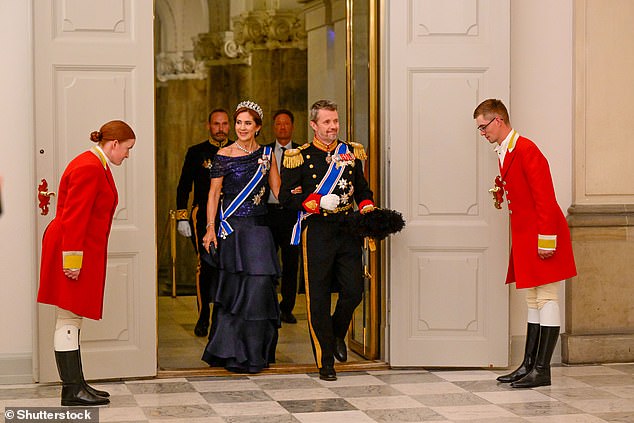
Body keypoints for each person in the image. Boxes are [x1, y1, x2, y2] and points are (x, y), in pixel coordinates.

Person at [473, 99, 577, 388]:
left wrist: (547, 240)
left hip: (543, 234)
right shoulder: (506, 150)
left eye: (483, 126)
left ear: (499, 121)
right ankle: (528, 365)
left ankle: (542, 370)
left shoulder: (527, 150)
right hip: (526, 235)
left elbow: (545, 198)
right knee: (533, 299)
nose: (482, 133)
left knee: (547, 298)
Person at [37, 120, 136, 406]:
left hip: (79, 248)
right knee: (68, 316)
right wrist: (72, 259)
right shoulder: (89, 167)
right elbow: (75, 218)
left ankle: (78, 385)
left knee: (72, 316)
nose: (127, 155)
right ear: (114, 144)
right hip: (72, 248)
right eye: (127, 149)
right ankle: (71, 390)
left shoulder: (97, 164)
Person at [279, 99, 375, 381]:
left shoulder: (351, 152)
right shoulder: (299, 156)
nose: (333, 127)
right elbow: (286, 197)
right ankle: (325, 362)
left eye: (335, 121)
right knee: (318, 297)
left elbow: (363, 191)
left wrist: (369, 211)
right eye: (326, 122)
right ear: (313, 125)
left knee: (354, 290)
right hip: (318, 231)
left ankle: (336, 333)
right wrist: (318, 202)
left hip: (347, 228)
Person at [201, 100, 281, 373]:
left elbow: (278, 192)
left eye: (248, 123)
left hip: (258, 229)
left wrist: (306, 200)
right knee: (235, 292)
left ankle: (255, 352)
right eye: (239, 123)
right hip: (232, 229)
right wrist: (211, 227)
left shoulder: (267, 155)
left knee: (258, 288)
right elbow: (213, 194)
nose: (242, 127)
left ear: (257, 127)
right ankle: (231, 353)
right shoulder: (223, 154)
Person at [175, 109, 232, 337]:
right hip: (202, 215)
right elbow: (183, 186)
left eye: (224, 124)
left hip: (230, 215)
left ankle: (223, 314)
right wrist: (182, 216)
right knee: (206, 265)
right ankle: (203, 314)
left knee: (227, 266)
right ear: (209, 126)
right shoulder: (197, 152)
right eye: (216, 124)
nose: (220, 128)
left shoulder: (237, 151)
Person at [264, 109, 301, 324]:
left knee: (291, 262)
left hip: (291, 215)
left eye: (286, 123)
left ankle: (287, 307)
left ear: (292, 126)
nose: (283, 127)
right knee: (267, 261)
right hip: (268, 214)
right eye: (278, 124)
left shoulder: (300, 152)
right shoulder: (264, 151)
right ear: (273, 127)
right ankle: (267, 304)